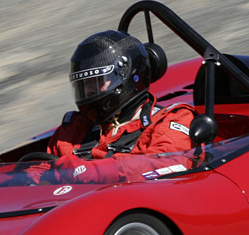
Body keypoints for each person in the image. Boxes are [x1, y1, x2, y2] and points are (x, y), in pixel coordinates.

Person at [40, 30, 196, 184]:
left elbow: (170, 165)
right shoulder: (74, 128)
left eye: (98, 80)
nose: (90, 90)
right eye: (86, 83)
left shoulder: (171, 119)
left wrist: (91, 171)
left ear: (125, 77)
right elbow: (37, 171)